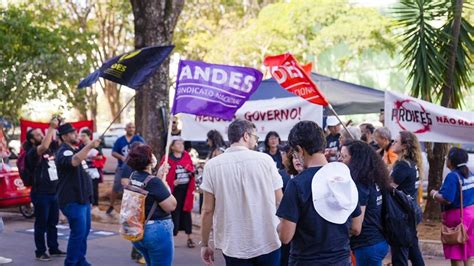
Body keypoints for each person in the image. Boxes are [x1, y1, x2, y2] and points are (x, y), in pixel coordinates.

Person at [277, 121, 361, 265]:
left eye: (295, 153)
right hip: (340, 259)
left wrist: (279, 226)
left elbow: (285, 237)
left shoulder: (297, 184)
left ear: (300, 149)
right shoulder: (343, 177)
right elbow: (356, 227)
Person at [200, 119, 283, 265]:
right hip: (267, 238)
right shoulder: (266, 160)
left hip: (233, 244)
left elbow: (207, 210)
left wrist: (205, 244)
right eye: (255, 137)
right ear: (246, 136)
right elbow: (280, 201)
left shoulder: (212, 166)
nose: (257, 142)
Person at [55, 123, 101, 266]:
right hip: (72, 200)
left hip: (83, 199)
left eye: (76, 132)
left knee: (84, 232)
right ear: (64, 136)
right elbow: (74, 162)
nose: (76, 134)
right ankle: (71, 263)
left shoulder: (74, 149)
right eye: (72, 133)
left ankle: (81, 260)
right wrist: (89, 146)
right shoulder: (64, 151)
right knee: (78, 233)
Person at [340, 141, 391, 266]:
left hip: (367, 245)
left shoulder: (360, 185)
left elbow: (356, 228)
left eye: (344, 156)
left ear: (356, 160)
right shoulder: (374, 178)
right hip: (378, 240)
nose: (339, 160)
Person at [126, 144, 177, 266]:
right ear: (148, 160)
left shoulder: (133, 176)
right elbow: (171, 206)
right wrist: (162, 182)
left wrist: (159, 177)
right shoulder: (154, 182)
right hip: (156, 231)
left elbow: (150, 191)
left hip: (138, 229)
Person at [24, 117, 66, 261]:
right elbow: (42, 146)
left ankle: (53, 248)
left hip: (54, 192)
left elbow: (59, 140)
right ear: (31, 140)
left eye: (41, 133)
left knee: (52, 223)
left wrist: (58, 126)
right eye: (37, 135)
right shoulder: (32, 153)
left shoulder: (50, 149)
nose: (41, 135)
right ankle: (40, 251)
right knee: (41, 224)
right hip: (40, 193)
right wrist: (51, 128)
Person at [430, 147, 474, 266]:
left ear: (451, 161)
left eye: (447, 158)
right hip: (470, 215)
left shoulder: (453, 176)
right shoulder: (470, 174)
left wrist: (434, 194)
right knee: (467, 252)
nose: (446, 160)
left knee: (456, 252)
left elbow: (447, 199)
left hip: (456, 218)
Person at [390, 131, 424, 266]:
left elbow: (388, 187)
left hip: (401, 215)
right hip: (410, 211)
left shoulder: (403, 165)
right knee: (413, 250)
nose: (393, 143)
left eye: (396, 141)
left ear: (404, 146)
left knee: (400, 255)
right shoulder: (410, 163)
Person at [160, 137, 196, 248]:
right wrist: (172, 182)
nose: (181, 145)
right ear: (172, 147)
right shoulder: (167, 159)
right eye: (178, 144)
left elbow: (191, 169)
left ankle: (189, 238)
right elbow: (163, 175)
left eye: (182, 143)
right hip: (174, 191)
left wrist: (191, 173)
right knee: (173, 213)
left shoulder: (186, 156)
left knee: (186, 212)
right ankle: (171, 238)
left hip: (186, 190)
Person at [107, 122, 145, 216]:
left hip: (135, 168)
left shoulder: (138, 139)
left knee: (135, 188)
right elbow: (113, 152)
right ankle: (111, 206)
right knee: (116, 187)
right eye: (129, 127)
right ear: (125, 129)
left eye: (133, 127)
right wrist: (122, 157)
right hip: (122, 167)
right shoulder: (120, 140)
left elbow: (144, 150)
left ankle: (134, 209)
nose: (131, 129)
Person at [79, 129, 106, 219]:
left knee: (94, 187)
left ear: (88, 136)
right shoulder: (81, 146)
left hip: (93, 169)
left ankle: (95, 205)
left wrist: (89, 156)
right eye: (81, 136)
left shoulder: (95, 145)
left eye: (84, 136)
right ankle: (88, 203)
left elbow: (100, 156)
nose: (82, 138)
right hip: (84, 169)